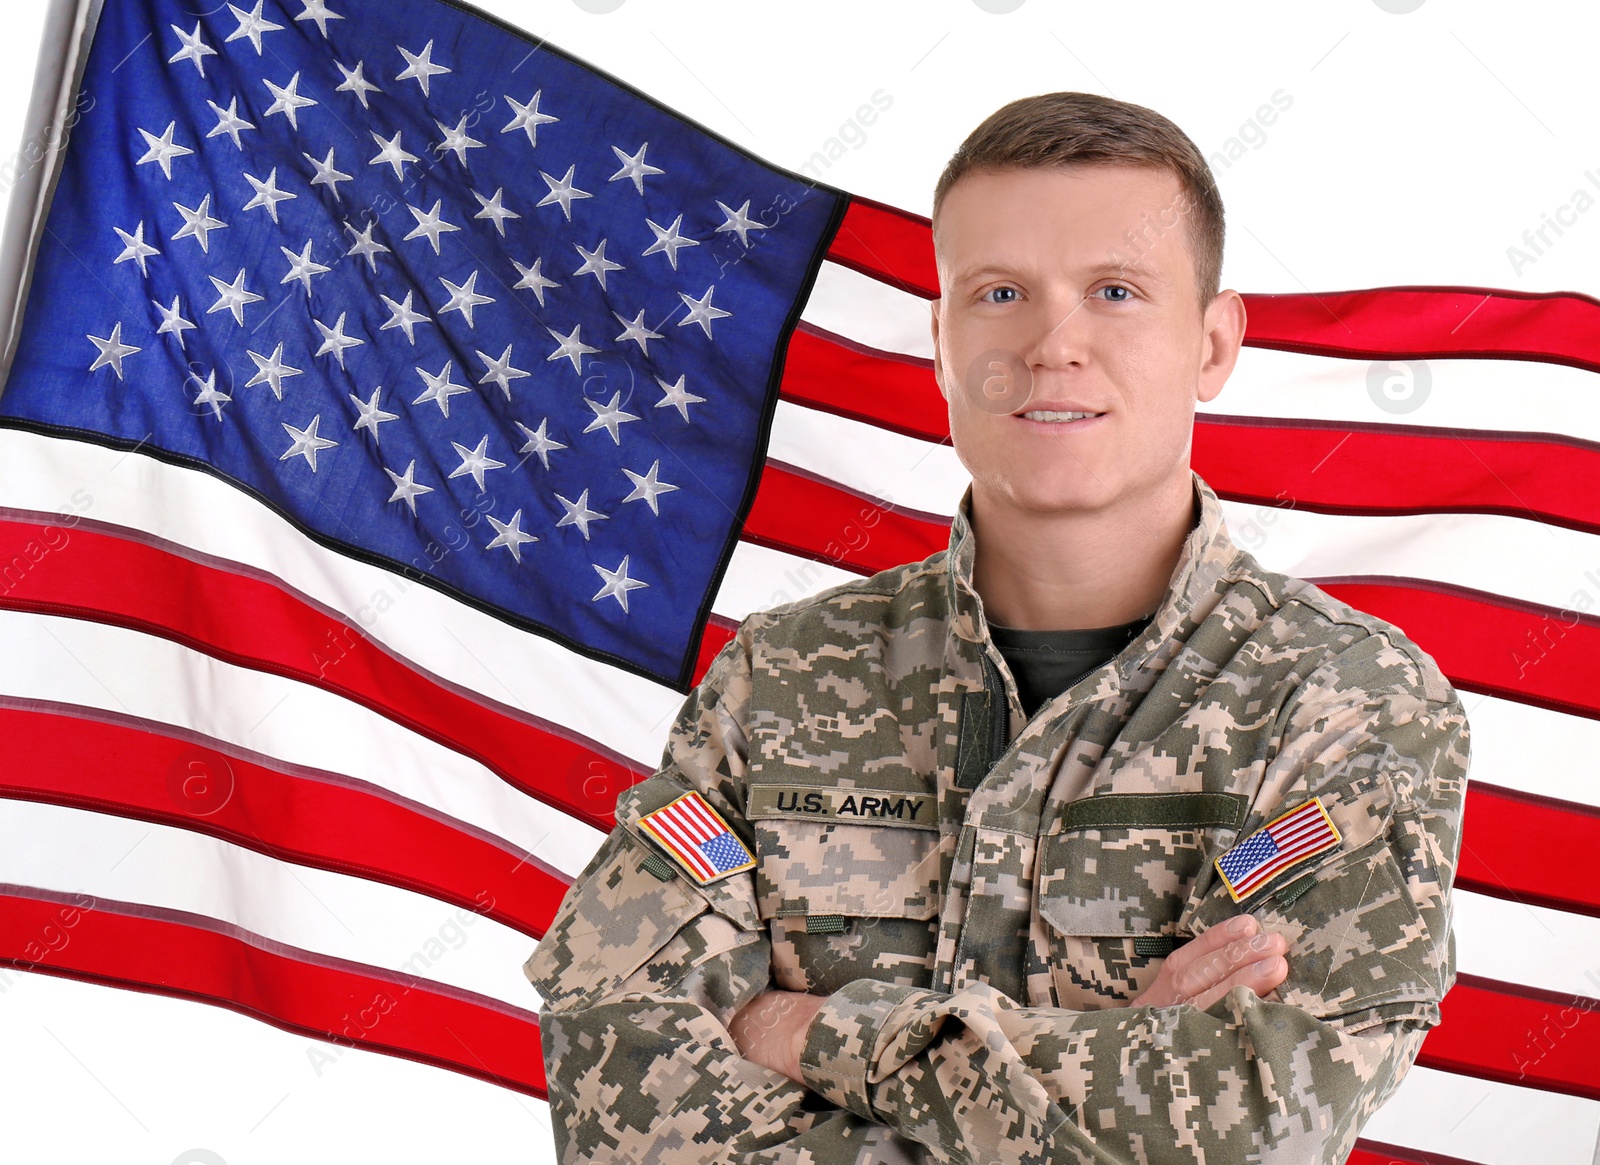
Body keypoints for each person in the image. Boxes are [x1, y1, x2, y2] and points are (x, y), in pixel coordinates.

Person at [523, 90, 1470, 1164]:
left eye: (1114, 291)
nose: (1053, 343)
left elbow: (1253, 1124)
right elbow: (619, 1093)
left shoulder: (1342, 700)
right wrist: (1117, 1055)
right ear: (941, 337)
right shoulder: (774, 683)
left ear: (1211, 343)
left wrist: (803, 1029)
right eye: (1000, 292)